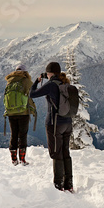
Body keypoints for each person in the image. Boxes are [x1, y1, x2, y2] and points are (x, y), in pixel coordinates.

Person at [30, 62, 74, 192]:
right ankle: (69, 183)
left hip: (54, 124)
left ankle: (58, 184)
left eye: (47, 72)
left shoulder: (50, 85)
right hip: (68, 123)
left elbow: (32, 94)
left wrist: (36, 82)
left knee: (56, 153)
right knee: (66, 152)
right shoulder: (65, 83)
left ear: (50, 73)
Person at [4, 64, 36, 166]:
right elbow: (31, 95)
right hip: (23, 112)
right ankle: (22, 159)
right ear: (25, 72)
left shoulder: (10, 81)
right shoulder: (26, 81)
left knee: (14, 134)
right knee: (22, 135)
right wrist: (33, 109)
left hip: (11, 112)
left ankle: (14, 160)